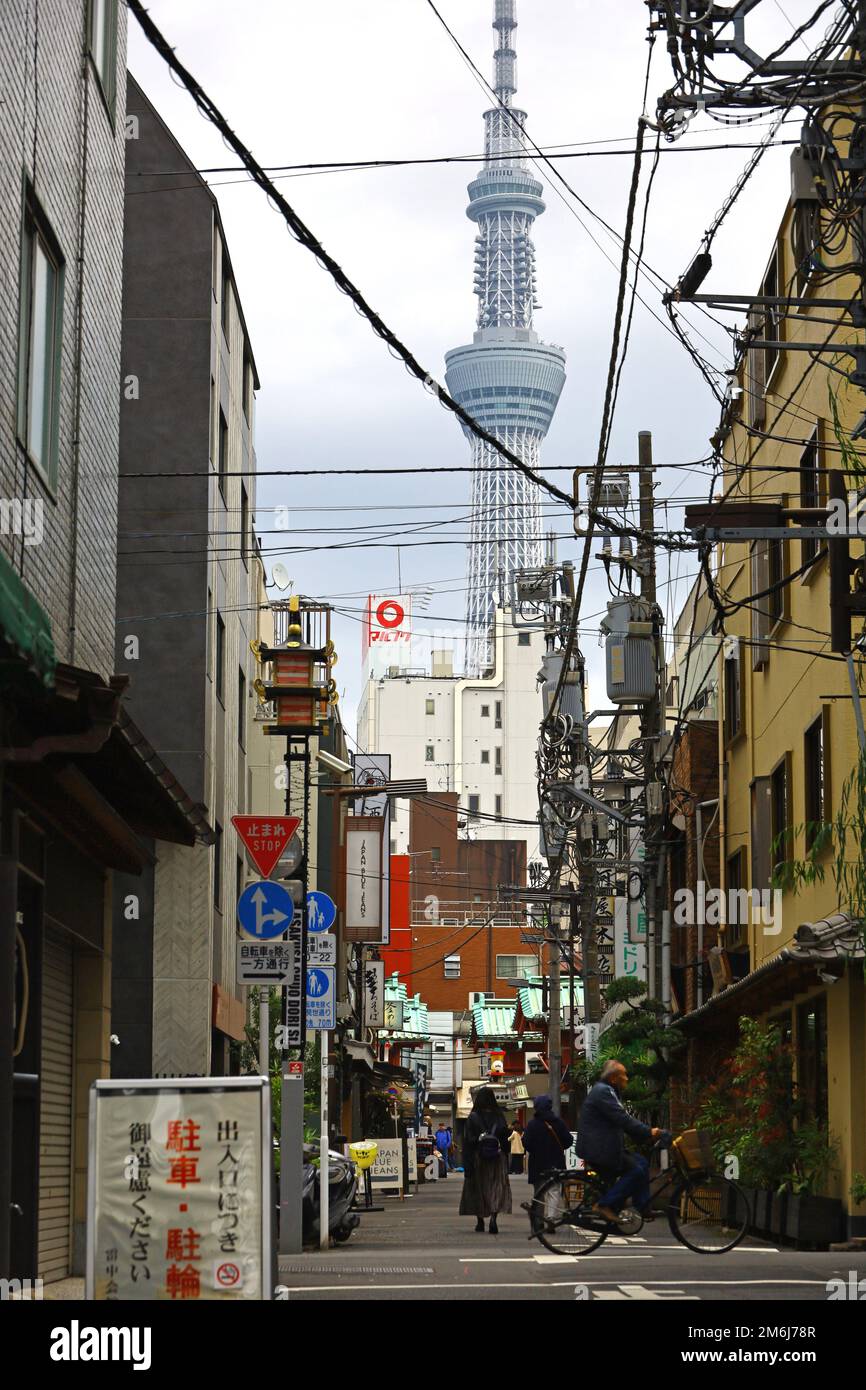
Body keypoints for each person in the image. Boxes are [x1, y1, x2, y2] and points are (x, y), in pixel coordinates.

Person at [576, 1058, 660, 1223]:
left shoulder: (608, 1090)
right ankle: (604, 1205)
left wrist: (643, 1136)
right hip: (600, 1150)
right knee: (636, 1171)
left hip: (605, 1146)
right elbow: (623, 1119)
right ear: (614, 1078)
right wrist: (648, 1131)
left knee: (642, 1162)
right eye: (624, 1075)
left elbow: (620, 1122)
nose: (627, 1079)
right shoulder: (603, 1092)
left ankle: (641, 1207)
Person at [459, 1086, 512, 1234]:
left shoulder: (473, 1117)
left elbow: (468, 1141)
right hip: (497, 1157)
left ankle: (480, 1221)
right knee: (496, 1188)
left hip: (478, 1157)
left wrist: (467, 1162)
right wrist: (506, 1152)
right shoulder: (499, 1115)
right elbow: (505, 1138)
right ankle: (494, 1218)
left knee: (478, 1188)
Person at [522, 1095, 574, 1232]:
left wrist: (535, 1150)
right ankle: (551, 1219)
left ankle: (539, 1222)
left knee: (539, 1193)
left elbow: (525, 1142)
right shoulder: (559, 1122)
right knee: (554, 1191)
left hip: (538, 1163)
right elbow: (568, 1141)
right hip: (556, 1161)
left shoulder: (532, 1124)